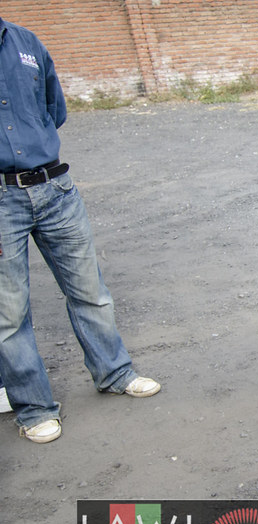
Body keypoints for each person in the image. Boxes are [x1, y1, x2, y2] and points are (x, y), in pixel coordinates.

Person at [0, 17, 160, 444]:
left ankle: (115, 373)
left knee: (90, 290)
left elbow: (55, 109)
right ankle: (33, 408)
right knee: (9, 314)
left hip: (55, 187)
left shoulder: (25, 42)